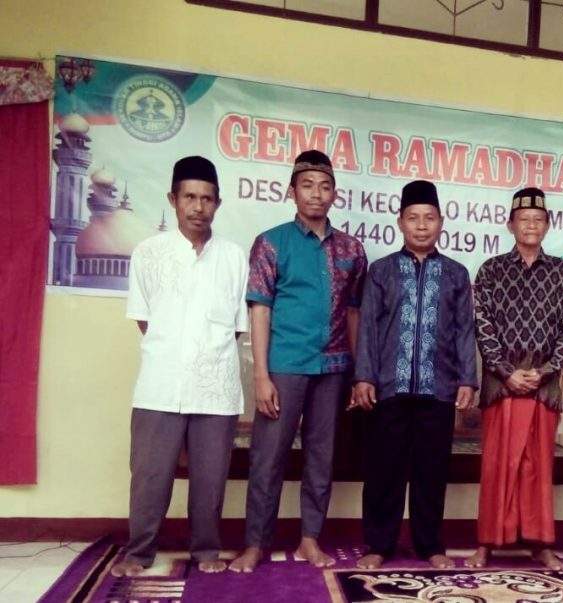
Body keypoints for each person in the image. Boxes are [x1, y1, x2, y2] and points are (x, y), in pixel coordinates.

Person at [230, 150, 366, 573]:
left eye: (324, 187)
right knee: (267, 458)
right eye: (307, 186)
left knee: (321, 458)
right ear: (292, 192)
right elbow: (260, 310)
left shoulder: (352, 249)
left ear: (334, 194)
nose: (316, 194)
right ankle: (255, 543)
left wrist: (357, 373)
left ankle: (310, 539)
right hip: (285, 367)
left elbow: (354, 313)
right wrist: (261, 375)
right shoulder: (271, 243)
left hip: (333, 370)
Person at [112, 156, 248, 577]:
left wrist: (207, 358)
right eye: (189, 197)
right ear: (173, 199)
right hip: (161, 383)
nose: (198, 207)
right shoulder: (148, 253)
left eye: (207, 198)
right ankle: (139, 552)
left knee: (210, 478)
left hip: (216, 386)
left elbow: (237, 327)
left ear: (218, 203)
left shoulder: (234, 257)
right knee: (150, 475)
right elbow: (144, 319)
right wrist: (175, 353)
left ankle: (206, 550)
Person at [352, 179, 477, 570]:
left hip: (438, 388)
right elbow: (368, 328)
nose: (422, 226)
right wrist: (364, 376)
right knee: (383, 470)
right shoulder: (381, 270)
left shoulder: (456, 274)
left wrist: (467, 379)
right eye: (413, 218)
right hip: (389, 387)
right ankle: (378, 545)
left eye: (429, 218)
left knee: (432, 471)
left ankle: (430, 545)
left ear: (441, 222)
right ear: (400, 222)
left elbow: (464, 330)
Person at [465, 187, 563, 570]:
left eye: (538, 219)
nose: (531, 225)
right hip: (502, 386)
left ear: (548, 225)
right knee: (497, 467)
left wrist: (544, 372)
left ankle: (541, 543)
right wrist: (506, 372)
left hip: (543, 388)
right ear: (510, 224)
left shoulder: (561, 272)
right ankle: (487, 542)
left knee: (538, 467)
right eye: (523, 219)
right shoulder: (491, 270)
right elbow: (482, 325)